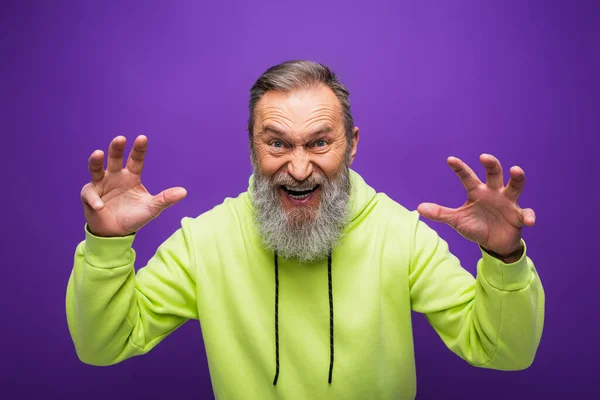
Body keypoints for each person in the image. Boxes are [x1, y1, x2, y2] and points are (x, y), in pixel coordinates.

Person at [66, 60, 545, 399]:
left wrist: (505, 259)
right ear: (253, 147)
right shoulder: (205, 242)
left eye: (319, 142)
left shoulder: (400, 234)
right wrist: (107, 246)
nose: (298, 168)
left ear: (351, 144)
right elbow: (104, 345)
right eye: (277, 143)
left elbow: (503, 352)